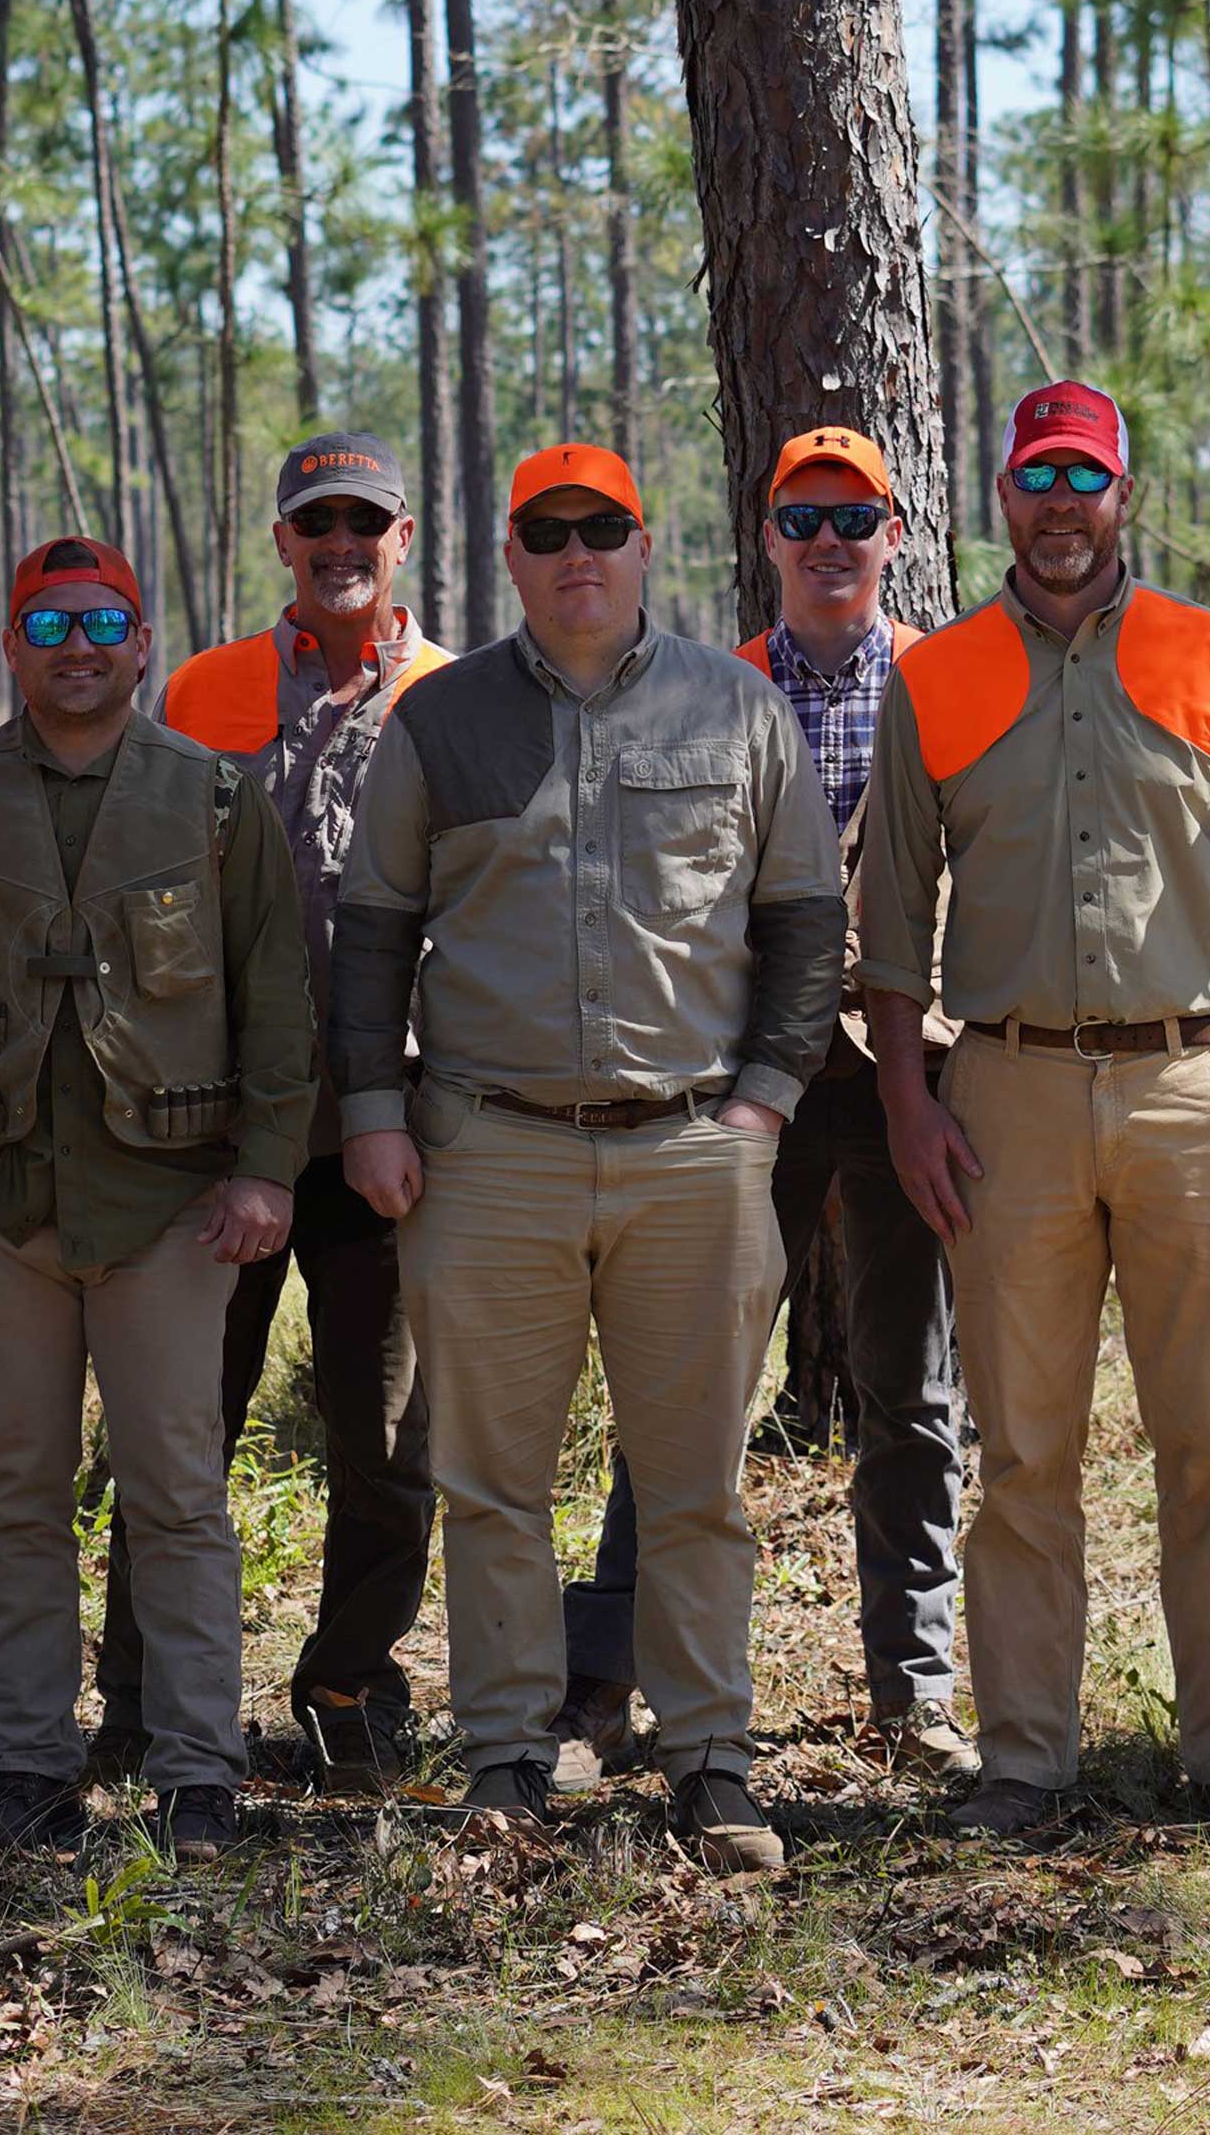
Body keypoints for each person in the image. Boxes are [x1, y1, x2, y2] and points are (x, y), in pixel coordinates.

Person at [330, 442, 846, 1870]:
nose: (576, 555)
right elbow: (373, 926)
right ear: (510, 556)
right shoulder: (441, 721)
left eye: (602, 530)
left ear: (642, 543)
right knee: (493, 1479)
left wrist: (763, 1106)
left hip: (694, 1147)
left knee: (694, 1483)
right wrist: (374, 1105)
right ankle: (504, 1754)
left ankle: (710, 1761)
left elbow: (806, 918)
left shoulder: (735, 709)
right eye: (547, 533)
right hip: (491, 1148)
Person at [857, 379, 1210, 1846]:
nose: (1062, 508)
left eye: (1086, 480)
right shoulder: (937, 674)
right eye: (1037, 480)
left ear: (1124, 495)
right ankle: (1024, 1762)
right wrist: (908, 1102)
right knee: (1025, 1450)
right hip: (1006, 1095)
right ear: (1002, 497)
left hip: (1194, 1089)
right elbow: (886, 922)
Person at [0, 535, 314, 1859]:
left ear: (142, 642)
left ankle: (195, 1772)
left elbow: (277, 995)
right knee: (17, 1494)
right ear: (9, 644)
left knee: (177, 1495)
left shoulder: (219, 803)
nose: (77, 646)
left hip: (169, 1208)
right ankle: (28, 1768)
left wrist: (266, 1167)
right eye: (48, 623)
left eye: (102, 621)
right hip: (1, 1206)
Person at [555, 426, 972, 1790]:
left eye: (856, 517)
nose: (831, 541)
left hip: (914, 1072)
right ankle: (605, 1686)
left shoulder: (954, 683)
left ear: (894, 535)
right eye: (805, 518)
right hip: (742, 1085)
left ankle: (914, 1689)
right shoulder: (697, 689)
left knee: (913, 1390)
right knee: (688, 1390)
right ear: (770, 537)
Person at [97, 435, 450, 1790]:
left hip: (391, 1122)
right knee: (181, 1425)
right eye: (318, 524)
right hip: (221, 1127)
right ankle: (145, 1699)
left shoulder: (454, 694)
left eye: (364, 521)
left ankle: (349, 1689)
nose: (340, 545)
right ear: (283, 542)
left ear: (402, 538)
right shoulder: (205, 688)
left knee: (385, 1437)